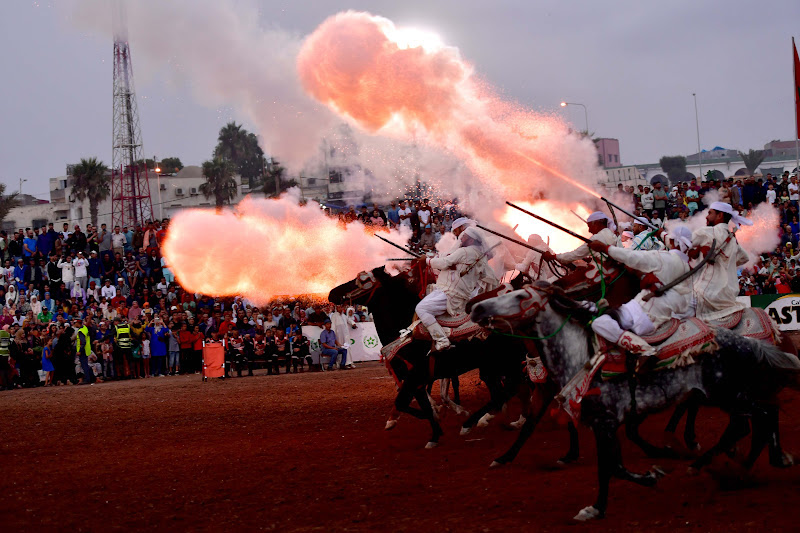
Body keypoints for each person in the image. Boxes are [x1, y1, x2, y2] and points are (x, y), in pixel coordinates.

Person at [588, 227, 692, 367]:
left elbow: (632, 256)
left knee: (598, 323)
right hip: (659, 314)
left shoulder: (664, 258)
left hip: (642, 313)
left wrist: (605, 248)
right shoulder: (686, 266)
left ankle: (645, 350)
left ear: (673, 241)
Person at [415, 218, 495, 351]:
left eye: (464, 237)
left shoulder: (464, 251)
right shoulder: (480, 255)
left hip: (450, 293)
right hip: (464, 294)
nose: (461, 239)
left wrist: (427, 261)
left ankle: (441, 340)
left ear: (470, 239)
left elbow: (445, 262)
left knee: (421, 309)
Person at [689, 202, 752, 322]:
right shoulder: (732, 239)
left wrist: (663, 234)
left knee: (668, 308)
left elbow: (680, 243)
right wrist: (726, 263)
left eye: (710, 213)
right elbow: (745, 257)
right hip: (727, 298)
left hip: (705, 295)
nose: (707, 217)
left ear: (720, 216)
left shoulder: (706, 232)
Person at [546, 212, 619, 264]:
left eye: (590, 227)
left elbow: (574, 255)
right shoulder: (613, 235)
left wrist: (553, 257)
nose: (589, 230)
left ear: (597, 224)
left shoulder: (595, 239)